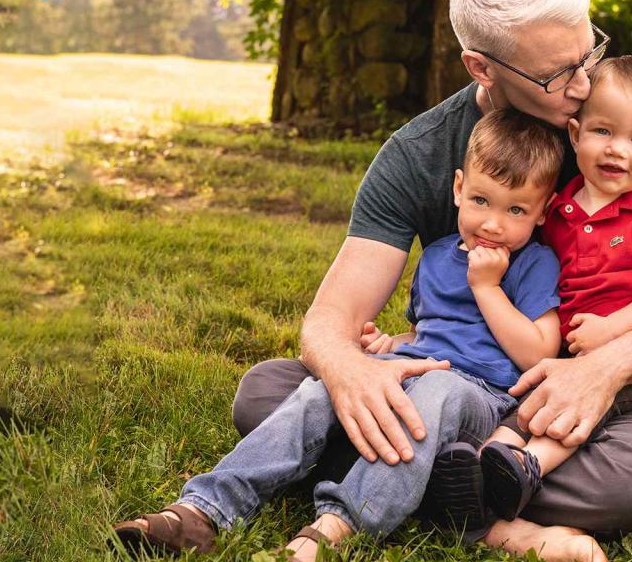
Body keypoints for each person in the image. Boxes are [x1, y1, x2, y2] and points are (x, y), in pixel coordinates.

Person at [232, 0, 632, 561]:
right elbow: (330, 320)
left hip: (574, 408)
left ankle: (404, 477)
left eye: (588, 55)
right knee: (265, 393)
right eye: (555, 75)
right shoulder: (417, 154)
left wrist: (602, 369)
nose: (582, 86)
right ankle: (478, 495)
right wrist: (354, 369)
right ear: (481, 67)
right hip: (453, 389)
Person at [111, 110, 571, 559]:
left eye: (515, 209)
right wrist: (391, 346)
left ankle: (337, 527)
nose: (492, 223)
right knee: (321, 393)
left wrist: (488, 288)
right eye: (480, 201)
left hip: (481, 393)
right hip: (418, 368)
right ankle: (203, 509)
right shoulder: (434, 256)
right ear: (458, 189)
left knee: (432, 394)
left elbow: (538, 353)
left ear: (541, 212)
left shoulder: (534, 263)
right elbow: (427, 331)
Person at [436, 56, 632, 524]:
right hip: (561, 360)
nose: (617, 150)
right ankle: (479, 473)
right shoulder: (557, 210)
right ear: (576, 134)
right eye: (603, 132)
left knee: (567, 406)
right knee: (532, 401)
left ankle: (525, 468)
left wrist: (612, 330)